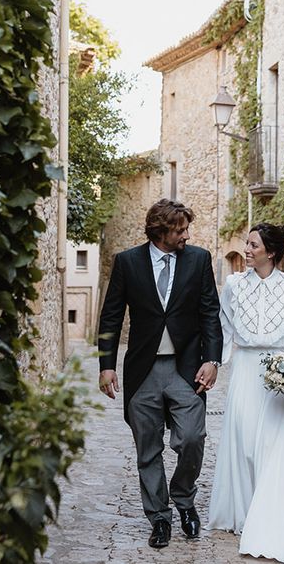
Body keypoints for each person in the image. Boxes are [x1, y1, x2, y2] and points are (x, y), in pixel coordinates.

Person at [97, 199, 224, 549]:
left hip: (186, 369)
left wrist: (212, 359)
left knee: (192, 438)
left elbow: (210, 312)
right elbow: (110, 317)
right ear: (160, 231)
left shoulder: (198, 259)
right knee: (148, 449)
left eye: (186, 228)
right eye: (179, 229)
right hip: (143, 370)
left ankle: (184, 501)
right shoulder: (127, 262)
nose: (186, 235)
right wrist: (106, 364)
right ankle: (159, 518)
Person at [208, 222, 284, 562]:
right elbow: (224, 328)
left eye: (253, 245)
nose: (247, 249)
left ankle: (274, 519)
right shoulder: (235, 285)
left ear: (271, 252)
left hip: (280, 374)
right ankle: (244, 512)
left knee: (275, 445)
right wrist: (215, 363)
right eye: (246, 243)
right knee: (244, 443)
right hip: (244, 372)